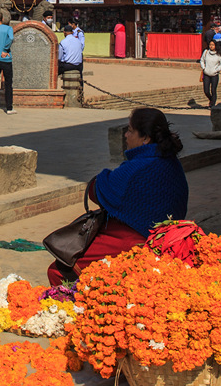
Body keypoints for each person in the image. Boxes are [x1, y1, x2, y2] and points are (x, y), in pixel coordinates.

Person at [48, 107, 188, 285]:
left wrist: (103, 178)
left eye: (130, 130)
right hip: (166, 238)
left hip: (134, 240)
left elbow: (97, 189)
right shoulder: (172, 163)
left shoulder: (136, 170)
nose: (126, 135)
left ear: (145, 138)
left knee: (57, 271)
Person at [57, 23, 84, 91]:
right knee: (80, 75)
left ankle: (52, 88)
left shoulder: (63, 42)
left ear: (64, 32)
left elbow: (59, 57)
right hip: (79, 65)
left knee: (55, 70)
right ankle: (81, 89)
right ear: (72, 32)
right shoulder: (78, 41)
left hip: (68, 65)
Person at [200, 39, 221, 108]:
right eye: (210, 45)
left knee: (213, 90)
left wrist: (217, 70)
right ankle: (211, 99)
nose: (211, 46)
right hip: (206, 73)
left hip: (214, 74)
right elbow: (202, 60)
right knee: (206, 90)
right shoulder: (206, 52)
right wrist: (204, 68)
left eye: (212, 45)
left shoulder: (218, 54)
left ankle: (213, 105)